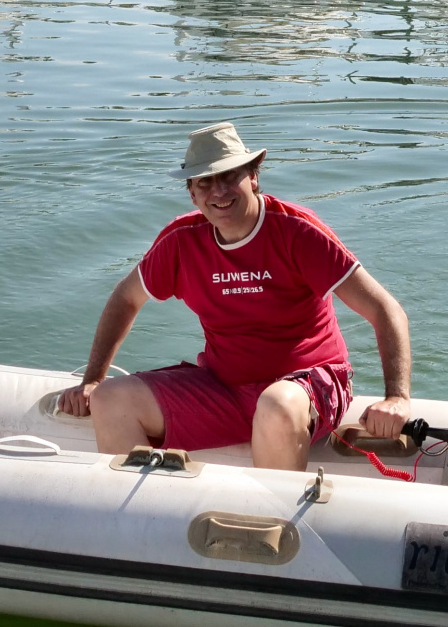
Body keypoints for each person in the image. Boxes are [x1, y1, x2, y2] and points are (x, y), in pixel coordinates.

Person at [57, 122, 411, 471]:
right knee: (110, 400)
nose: (219, 191)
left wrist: (396, 397)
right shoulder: (181, 241)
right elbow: (126, 298)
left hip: (305, 385)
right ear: (192, 194)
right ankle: (142, 522)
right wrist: (92, 379)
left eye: (229, 176)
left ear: (254, 177)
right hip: (224, 387)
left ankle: (275, 525)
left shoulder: (298, 231)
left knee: (275, 404)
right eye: (204, 183)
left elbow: (385, 309)